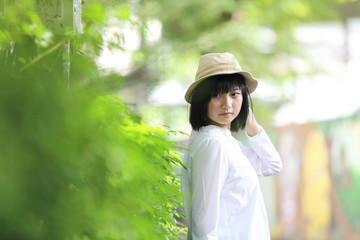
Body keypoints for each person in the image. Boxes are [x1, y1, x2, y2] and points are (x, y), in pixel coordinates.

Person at [181, 52, 283, 240]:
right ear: (201, 100)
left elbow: (272, 165)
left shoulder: (225, 141)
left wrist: (253, 127)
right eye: (216, 95)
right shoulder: (213, 143)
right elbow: (203, 226)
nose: (227, 104)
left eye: (234, 94)